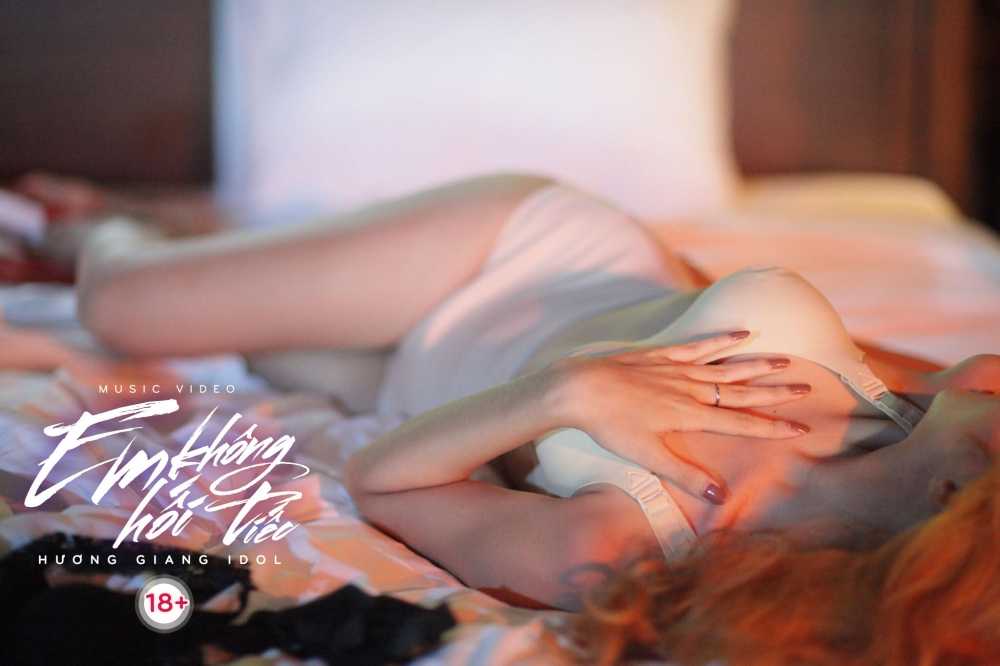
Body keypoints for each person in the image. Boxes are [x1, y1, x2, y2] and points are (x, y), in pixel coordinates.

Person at [15, 172, 1000, 615]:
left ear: (955, 501)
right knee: (122, 304)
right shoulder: (912, 404)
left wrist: (570, 391)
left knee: (248, 338)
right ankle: (105, 225)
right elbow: (699, 295)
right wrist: (658, 311)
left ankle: (205, 244)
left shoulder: (643, 543)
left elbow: (384, 480)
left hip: (417, 385)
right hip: (517, 259)